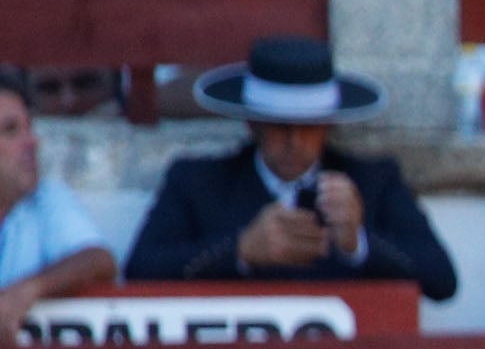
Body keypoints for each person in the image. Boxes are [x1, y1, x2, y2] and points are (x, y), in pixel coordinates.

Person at [123, 38, 458, 300]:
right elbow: (140, 269)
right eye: (279, 125)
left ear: (328, 125)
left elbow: (442, 280)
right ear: (252, 123)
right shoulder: (199, 182)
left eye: (309, 125)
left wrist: (358, 242)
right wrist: (240, 250)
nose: (294, 140)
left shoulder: (372, 181)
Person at [0, 69, 116, 340]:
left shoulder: (46, 198)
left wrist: (27, 291)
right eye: (10, 131)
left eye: (30, 127)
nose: (32, 142)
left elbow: (99, 261)